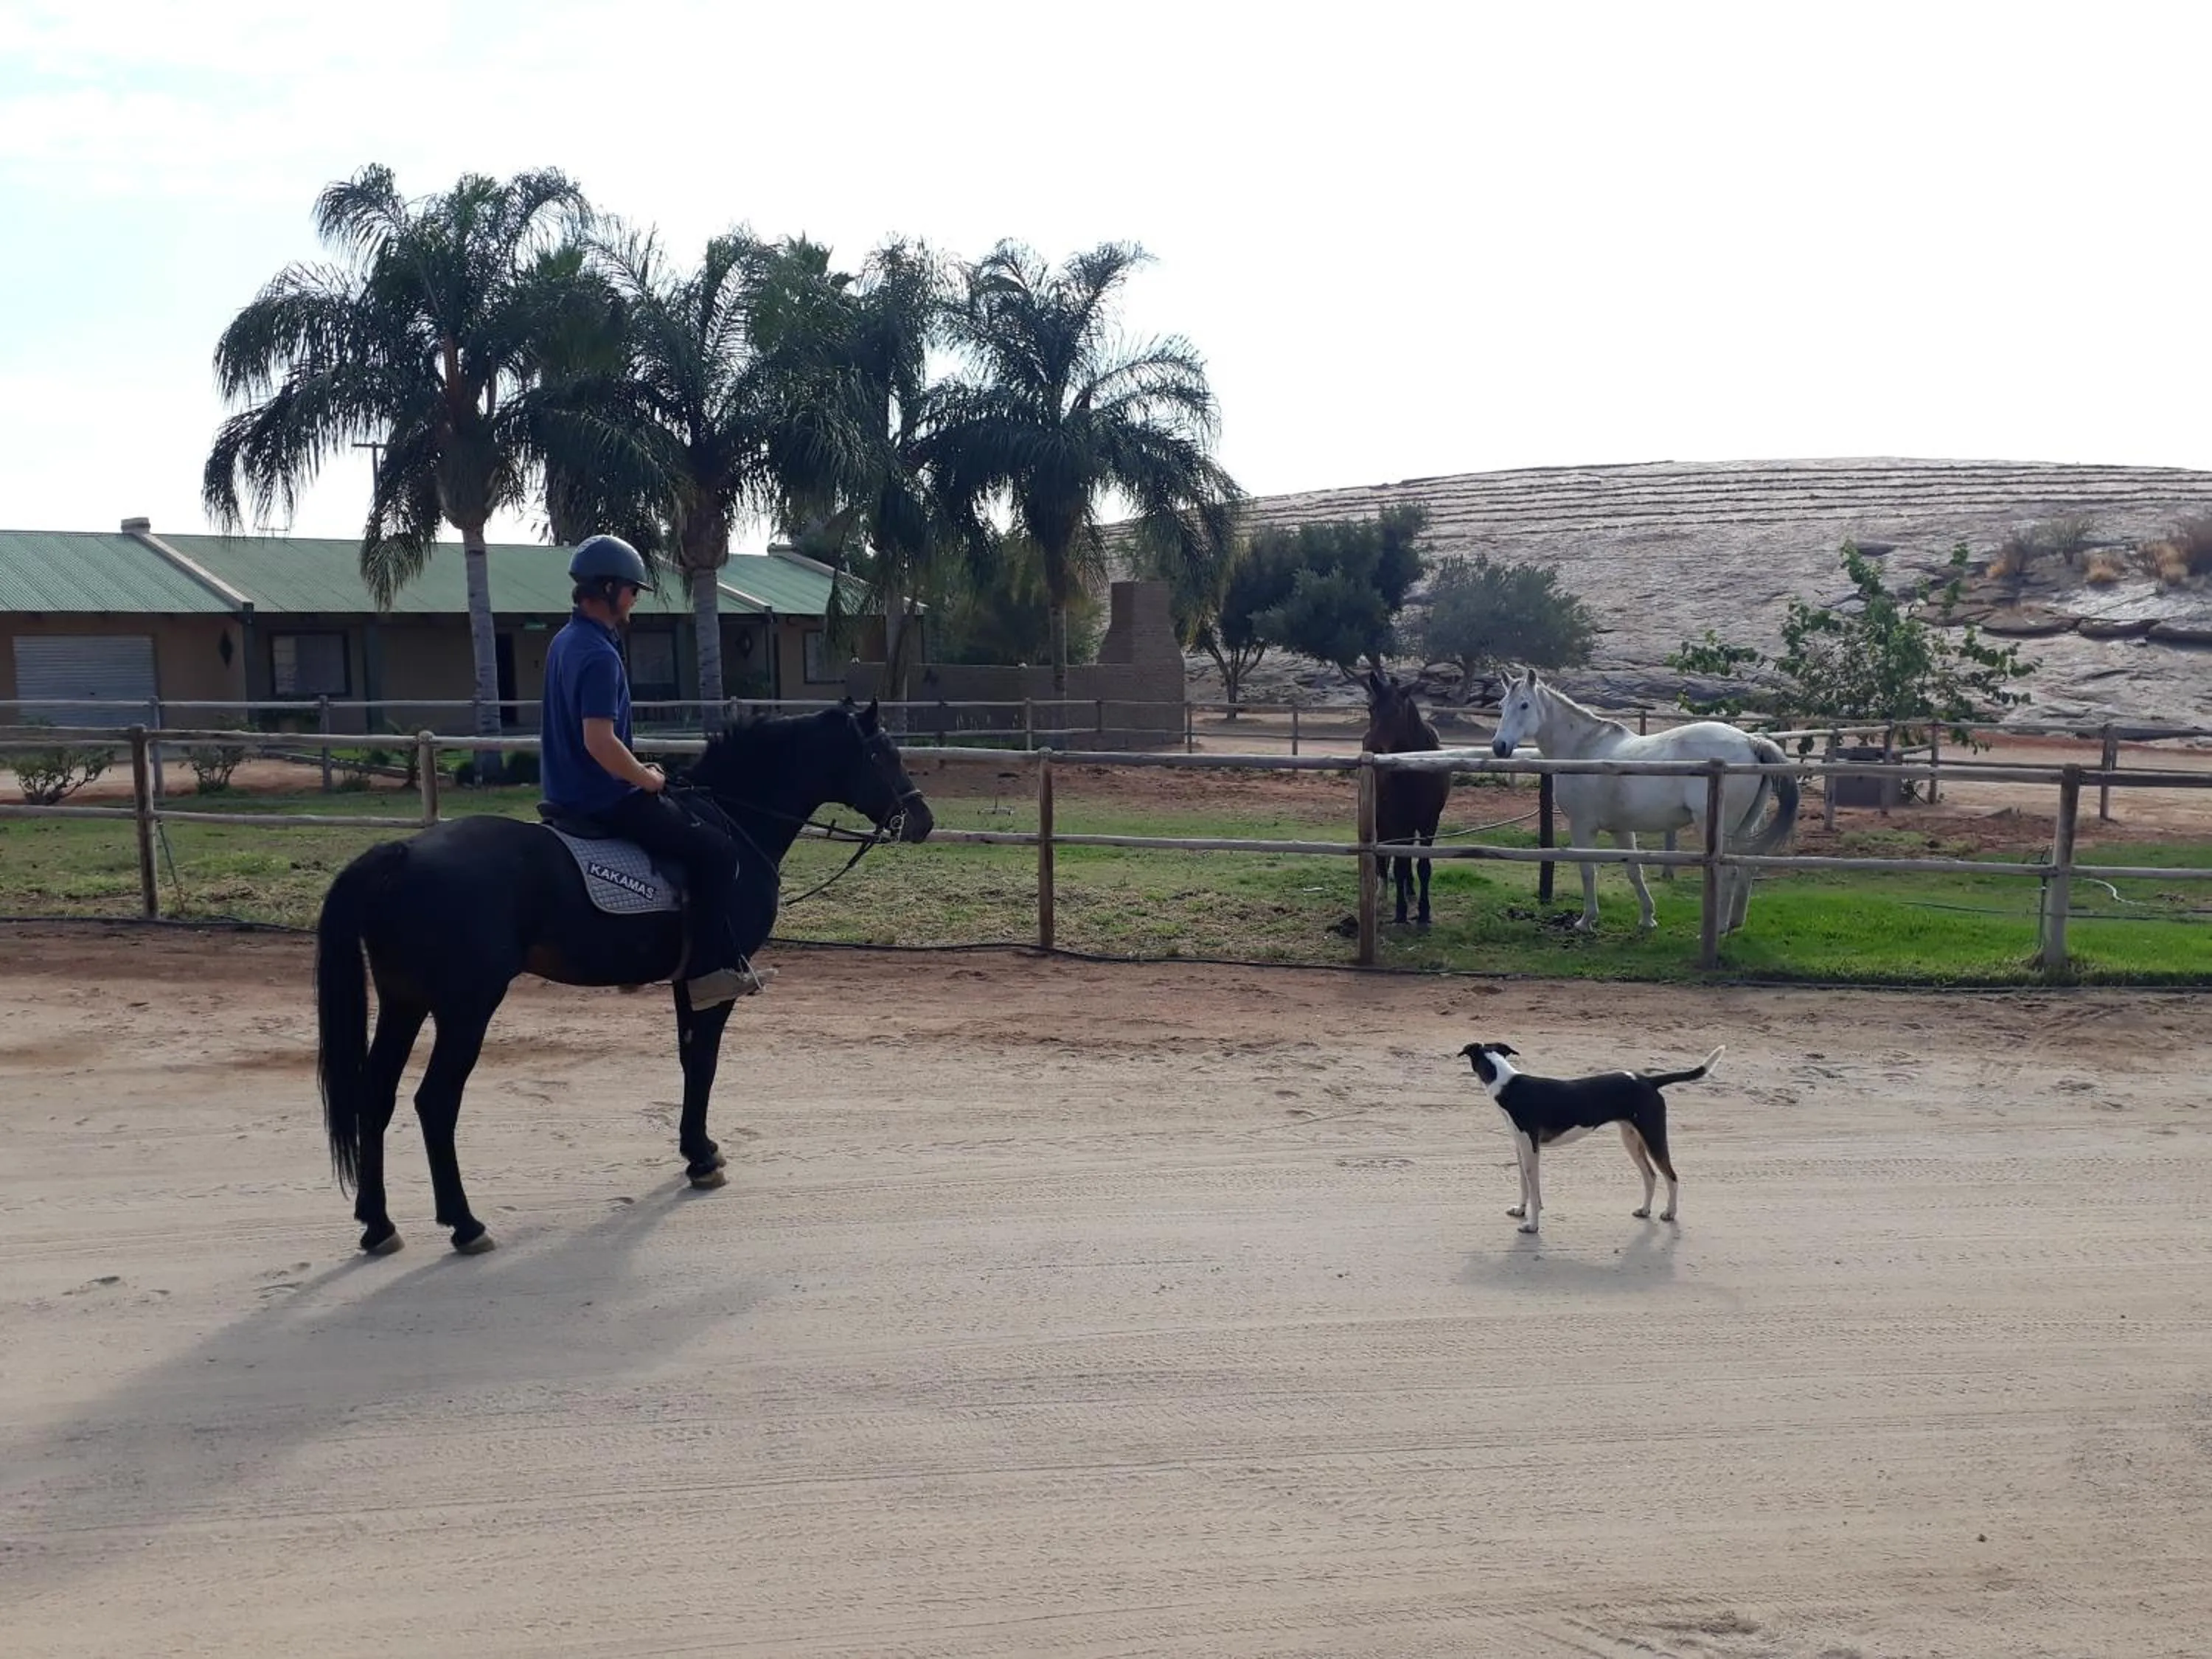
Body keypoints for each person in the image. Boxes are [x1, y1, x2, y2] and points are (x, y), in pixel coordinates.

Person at [540, 534, 766, 1009]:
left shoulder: (566, 641)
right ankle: (708, 974)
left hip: (565, 791)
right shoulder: (600, 655)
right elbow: (599, 741)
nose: (636, 598)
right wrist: (646, 779)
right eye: (631, 589)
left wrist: (639, 767)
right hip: (602, 798)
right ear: (608, 590)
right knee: (717, 852)